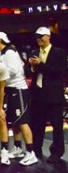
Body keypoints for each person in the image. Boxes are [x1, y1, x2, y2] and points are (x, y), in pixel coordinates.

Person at [0, 32, 38, 166]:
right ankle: (18, 148)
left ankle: (31, 153)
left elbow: (13, 70)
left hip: (18, 89)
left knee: (23, 122)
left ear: (0, 40)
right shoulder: (1, 53)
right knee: (16, 122)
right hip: (10, 90)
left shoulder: (10, 52)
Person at [26, 27, 67, 163]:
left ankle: (57, 152)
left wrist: (40, 65)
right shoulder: (34, 52)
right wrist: (32, 67)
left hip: (54, 96)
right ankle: (36, 149)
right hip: (38, 95)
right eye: (37, 36)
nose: (39, 39)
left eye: (41, 36)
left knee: (56, 126)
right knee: (37, 124)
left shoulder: (59, 53)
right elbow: (27, 70)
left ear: (48, 37)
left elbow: (58, 72)